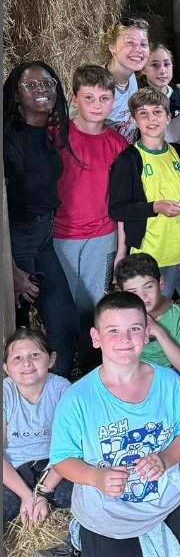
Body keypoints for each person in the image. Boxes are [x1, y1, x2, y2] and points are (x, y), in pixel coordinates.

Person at [49, 291, 180, 557]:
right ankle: (80, 543)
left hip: (167, 497)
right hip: (108, 510)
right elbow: (62, 458)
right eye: (113, 330)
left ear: (147, 334)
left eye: (134, 329)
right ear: (96, 337)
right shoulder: (78, 397)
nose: (124, 338)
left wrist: (166, 458)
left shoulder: (169, 383)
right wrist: (96, 478)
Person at [108, 87, 180, 366]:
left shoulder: (178, 153)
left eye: (157, 112)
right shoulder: (129, 160)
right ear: (134, 120)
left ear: (169, 117)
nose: (151, 119)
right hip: (150, 256)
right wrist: (155, 207)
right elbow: (117, 208)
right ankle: (151, 366)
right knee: (150, 315)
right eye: (143, 114)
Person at [4, 61, 80, 377]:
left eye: (48, 83)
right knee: (15, 335)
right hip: (14, 243)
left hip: (44, 238)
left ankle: (55, 400)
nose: (42, 90)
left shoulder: (50, 134)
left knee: (64, 324)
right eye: (30, 85)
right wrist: (9, 271)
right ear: (15, 94)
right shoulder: (7, 140)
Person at [52, 65, 129, 372]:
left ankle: (90, 366)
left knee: (95, 303)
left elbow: (122, 200)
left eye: (104, 98)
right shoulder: (56, 136)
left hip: (102, 233)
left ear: (113, 100)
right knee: (62, 305)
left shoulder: (117, 144)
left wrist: (122, 246)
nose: (97, 105)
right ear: (74, 98)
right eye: (89, 97)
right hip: (62, 234)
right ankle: (61, 366)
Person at [3, 329, 73, 526]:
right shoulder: (5, 393)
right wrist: (27, 495)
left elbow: (72, 446)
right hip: (13, 473)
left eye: (35, 355)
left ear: (51, 360)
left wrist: (43, 491)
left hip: (55, 468)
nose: (26, 363)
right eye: (17, 358)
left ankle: (68, 551)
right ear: (6, 368)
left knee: (82, 498)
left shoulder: (62, 389)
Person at [114, 253, 180, 372]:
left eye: (148, 287)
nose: (142, 296)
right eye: (133, 292)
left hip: (168, 374)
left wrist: (157, 331)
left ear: (160, 283)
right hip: (132, 373)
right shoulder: (118, 319)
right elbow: (118, 362)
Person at [100, 18, 151, 143]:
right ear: (112, 47)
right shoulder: (96, 84)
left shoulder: (132, 77)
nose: (139, 50)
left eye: (143, 44)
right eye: (130, 43)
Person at [141, 43, 180, 116]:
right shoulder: (138, 100)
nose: (162, 71)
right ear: (143, 69)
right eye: (155, 65)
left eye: (166, 64)